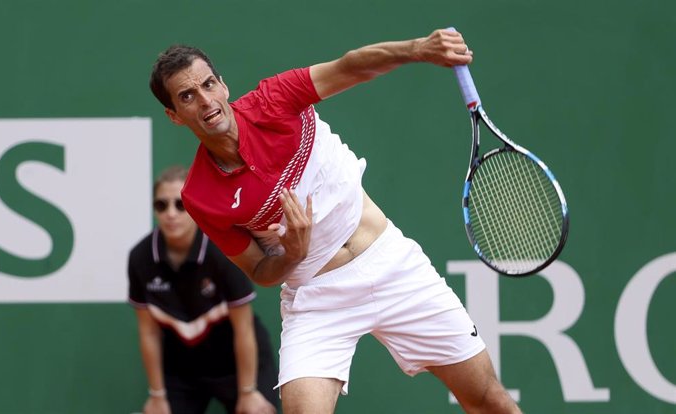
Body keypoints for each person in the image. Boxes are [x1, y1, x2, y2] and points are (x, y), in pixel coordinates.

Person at [148, 29, 521, 413]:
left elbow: (351, 66)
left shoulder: (274, 99)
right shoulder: (199, 197)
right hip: (317, 298)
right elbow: (259, 269)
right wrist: (291, 253)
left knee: (488, 400)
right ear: (174, 115)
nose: (206, 101)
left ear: (223, 85)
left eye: (209, 84)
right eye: (188, 96)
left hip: (392, 265)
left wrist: (419, 49)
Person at [127, 165, 279, 414]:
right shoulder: (140, 258)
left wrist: (248, 392)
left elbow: (243, 328)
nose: (171, 214)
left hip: (236, 361)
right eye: (161, 205)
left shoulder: (222, 250)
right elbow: (149, 333)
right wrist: (157, 395)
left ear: (194, 205)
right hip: (182, 368)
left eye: (180, 204)